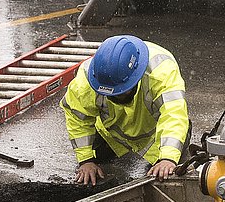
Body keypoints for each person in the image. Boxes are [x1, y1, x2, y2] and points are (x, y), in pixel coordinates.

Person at [61, 35, 190, 185]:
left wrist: (168, 158)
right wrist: (85, 160)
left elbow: (173, 114)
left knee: (176, 146)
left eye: (121, 92)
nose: (117, 97)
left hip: (153, 131)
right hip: (111, 132)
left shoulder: (161, 71)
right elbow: (78, 118)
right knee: (97, 153)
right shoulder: (86, 81)